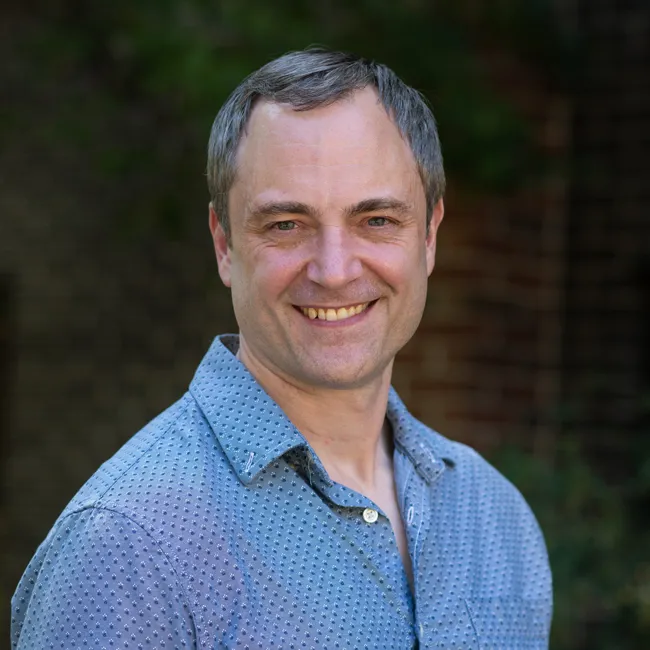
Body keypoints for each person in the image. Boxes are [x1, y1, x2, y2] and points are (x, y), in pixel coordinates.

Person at [11, 48, 552, 649]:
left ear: (428, 236)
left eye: (376, 219)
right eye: (286, 225)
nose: (335, 270)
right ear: (223, 244)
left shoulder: (496, 520)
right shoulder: (130, 545)